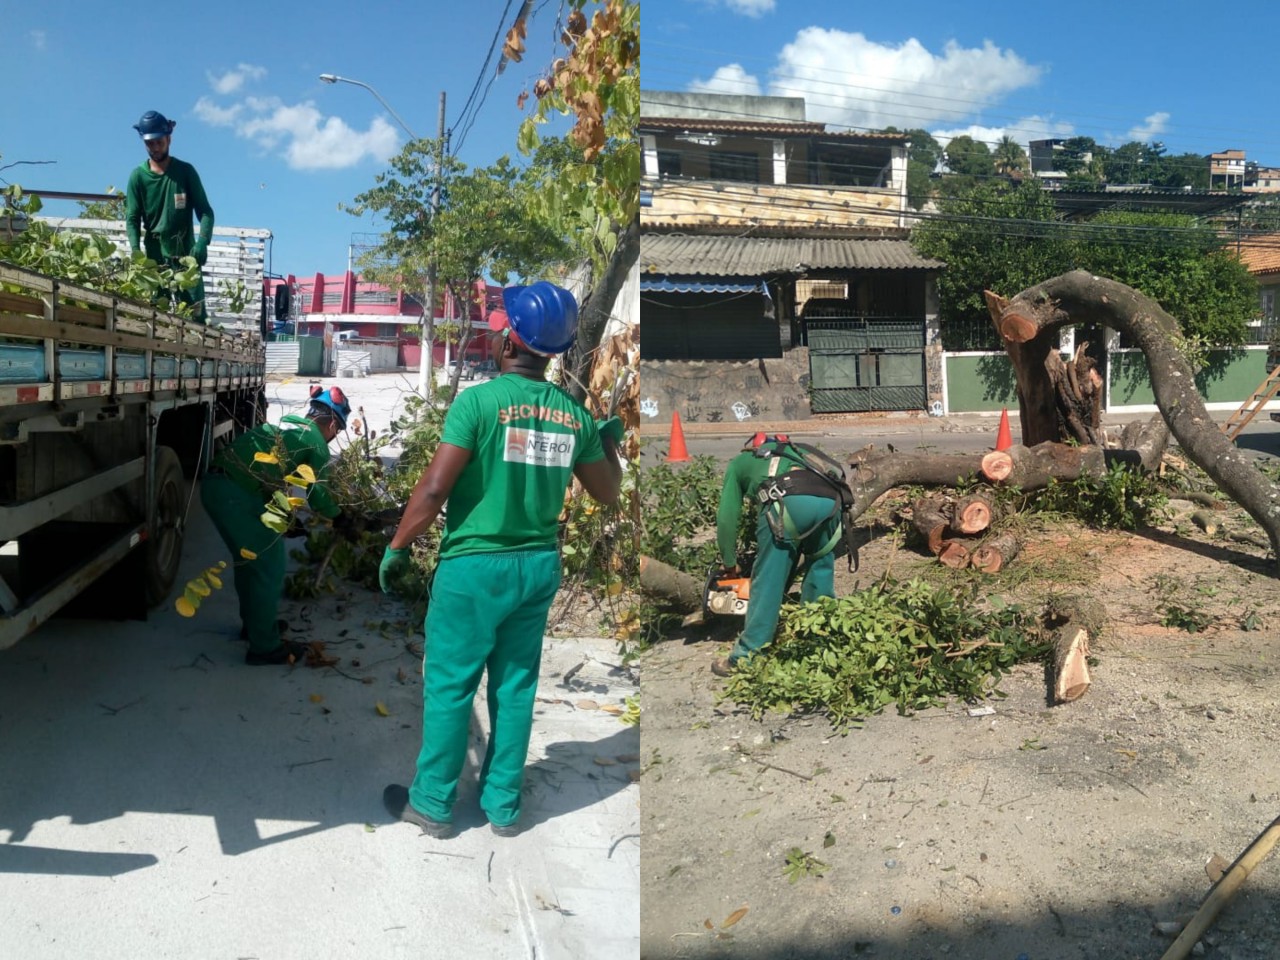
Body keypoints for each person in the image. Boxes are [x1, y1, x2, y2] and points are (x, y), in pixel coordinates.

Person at [380, 281, 624, 839]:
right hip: (536, 567)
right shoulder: (573, 416)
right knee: (514, 687)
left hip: (474, 569)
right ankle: (504, 806)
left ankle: (433, 804)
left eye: (500, 330)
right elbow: (608, 493)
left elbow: (434, 491)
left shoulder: (478, 403)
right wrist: (606, 440)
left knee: (449, 686)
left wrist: (397, 548)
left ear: (511, 342)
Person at [202, 386, 356, 665]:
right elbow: (318, 493)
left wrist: (286, 519)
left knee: (249, 563)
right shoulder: (316, 443)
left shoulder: (287, 429)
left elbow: (270, 481)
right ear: (333, 423)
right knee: (268, 566)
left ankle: (257, 627)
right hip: (234, 496)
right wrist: (340, 518)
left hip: (219, 488)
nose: (335, 438)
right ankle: (264, 648)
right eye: (338, 431)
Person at [710, 433, 843, 677]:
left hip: (786, 501)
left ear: (752, 448)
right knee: (819, 572)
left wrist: (729, 563)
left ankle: (747, 655)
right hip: (831, 502)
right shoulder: (799, 453)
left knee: (768, 579)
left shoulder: (740, 463)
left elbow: (727, 517)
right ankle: (819, 644)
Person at [125, 110, 215, 323]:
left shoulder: (185, 172)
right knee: (158, 318)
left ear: (169, 139)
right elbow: (132, 218)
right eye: (149, 143)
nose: (155, 148)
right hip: (155, 261)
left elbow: (206, 212)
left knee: (195, 317)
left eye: (159, 142)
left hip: (186, 257)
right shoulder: (138, 177)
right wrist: (136, 251)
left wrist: (202, 242)